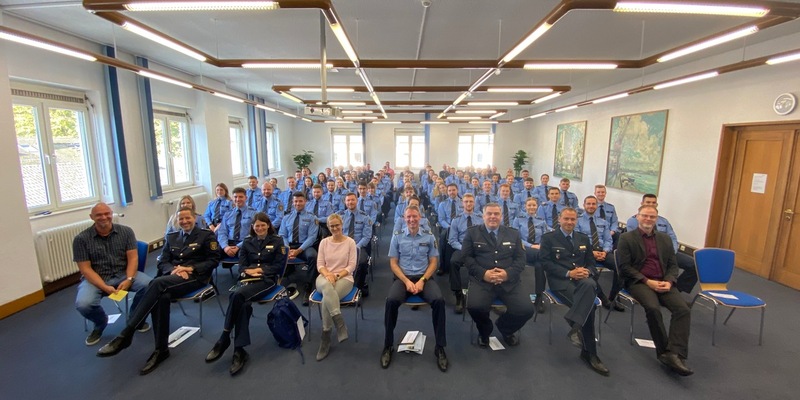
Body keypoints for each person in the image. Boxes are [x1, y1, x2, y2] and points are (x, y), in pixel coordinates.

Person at [97, 208, 221, 375]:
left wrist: (190, 268)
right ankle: (161, 350)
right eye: (181, 219)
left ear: (194, 218)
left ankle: (127, 334)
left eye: (187, 218)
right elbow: (162, 261)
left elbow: (214, 260)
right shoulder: (171, 237)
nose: (184, 221)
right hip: (174, 278)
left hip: (195, 277)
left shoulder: (206, 235)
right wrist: (174, 270)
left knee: (156, 284)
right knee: (161, 295)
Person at [205, 212, 286, 375]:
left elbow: (279, 266)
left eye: (263, 225)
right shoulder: (247, 242)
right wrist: (249, 272)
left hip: (266, 280)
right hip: (247, 280)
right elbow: (241, 266)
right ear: (252, 227)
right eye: (257, 226)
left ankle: (224, 337)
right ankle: (239, 350)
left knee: (236, 296)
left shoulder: (277, 241)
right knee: (242, 305)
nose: (260, 228)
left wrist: (260, 270)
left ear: (268, 226)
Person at [617, 205, 693, 376]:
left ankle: (675, 353)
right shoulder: (627, 238)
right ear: (637, 217)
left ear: (657, 219)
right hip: (639, 282)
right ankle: (663, 351)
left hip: (663, 281)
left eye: (652, 217)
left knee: (683, 310)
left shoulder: (665, 239)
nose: (648, 219)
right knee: (653, 308)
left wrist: (670, 280)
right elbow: (625, 267)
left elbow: (673, 265)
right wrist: (647, 281)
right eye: (645, 216)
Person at [540, 207, 609, 376]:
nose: (570, 222)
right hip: (561, 282)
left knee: (589, 283)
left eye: (573, 219)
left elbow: (592, 263)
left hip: (583, 281)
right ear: (559, 219)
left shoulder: (583, 238)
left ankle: (575, 327)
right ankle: (590, 353)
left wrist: (587, 271)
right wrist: (568, 273)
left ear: (577, 220)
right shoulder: (549, 238)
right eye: (566, 219)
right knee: (589, 307)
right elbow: (545, 263)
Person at [74, 203, 153, 346]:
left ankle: (136, 318)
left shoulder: (126, 232)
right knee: (83, 304)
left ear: (111, 214)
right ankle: (100, 323)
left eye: (107, 213)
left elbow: (133, 258)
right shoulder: (81, 239)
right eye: (99, 215)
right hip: (96, 279)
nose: (104, 217)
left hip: (123, 274)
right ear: (92, 217)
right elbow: (85, 269)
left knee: (150, 286)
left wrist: (129, 279)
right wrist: (104, 286)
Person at [382, 205, 448, 372]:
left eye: (414, 217)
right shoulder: (397, 237)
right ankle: (388, 345)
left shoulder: (429, 236)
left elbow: (434, 262)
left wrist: (422, 280)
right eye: (408, 217)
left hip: (424, 277)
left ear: (420, 218)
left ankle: (440, 347)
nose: (411, 220)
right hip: (403, 279)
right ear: (404, 219)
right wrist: (405, 281)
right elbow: (393, 263)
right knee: (391, 301)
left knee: (439, 301)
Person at [462, 203, 535, 347]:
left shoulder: (513, 233)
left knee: (526, 310)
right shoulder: (472, 233)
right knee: (475, 307)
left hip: (509, 281)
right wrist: (484, 274)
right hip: (482, 281)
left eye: (496, 214)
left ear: (501, 216)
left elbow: (521, 259)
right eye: (489, 213)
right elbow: (466, 258)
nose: (493, 217)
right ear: (483, 216)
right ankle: (485, 331)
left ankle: (505, 328)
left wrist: (507, 274)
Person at [625, 194, 697, 293]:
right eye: (648, 202)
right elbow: (633, 241)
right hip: (647, 254)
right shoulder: (633, 221)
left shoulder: (663, 221)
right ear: (642, 204)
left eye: (653, 203)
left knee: (694, 265)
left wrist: (671, 252)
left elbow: (672, 238)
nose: (651, 204)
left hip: (667, 253)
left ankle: (677, 290)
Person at [313, 213, 357, 361]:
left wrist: (337, 276)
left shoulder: (350, 242)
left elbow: (351, 266)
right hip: (324, 277)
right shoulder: (324, 242)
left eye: (337, 225)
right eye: (331, 226)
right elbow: (320, 264)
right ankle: (340, 323)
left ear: (341, 225)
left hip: (344, 278)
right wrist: (328, 275)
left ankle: (325, 336)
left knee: (327, 297)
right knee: (327, 288)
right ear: (328, 227)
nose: (334, 228)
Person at [576, 195, 624, 312]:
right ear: (584, 205)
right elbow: (577, 240)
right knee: (590, 272)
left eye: (593, 204)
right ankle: (603, 298)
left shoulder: (603, 222)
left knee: (621, 267)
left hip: (603, 252)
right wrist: (591, 252)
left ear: (597, 206)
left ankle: (613, 298)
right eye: (589, 204)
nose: (591, 206)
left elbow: (608, 240)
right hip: (586, 252)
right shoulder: (578, 221)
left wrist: (606, 251)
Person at [279, 191, 320, 305]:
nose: (298, 203)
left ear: (305, 202)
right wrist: (287, 248)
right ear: (292, 202)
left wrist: (298, 251)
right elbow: (282, 235)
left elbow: (312, 237)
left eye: (300, 201)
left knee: (313, 256)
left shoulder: (312, 218)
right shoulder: (286, 217)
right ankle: (278, 284)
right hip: (289, 245)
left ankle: (308, 286)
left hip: (304, 247)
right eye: (295, 201)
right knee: (274, 253)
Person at [447, 193, 483, 314]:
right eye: (466, 201)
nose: (468, 204)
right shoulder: (456, 220)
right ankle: (458, 295)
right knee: (453, 262)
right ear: (462, 204)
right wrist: (464, 249)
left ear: (474, 203)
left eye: (471, 201)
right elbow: (452, 240)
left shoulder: (481, 218)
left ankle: (484, 292)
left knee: (489, 261)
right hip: (461, 248)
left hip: (478, 248)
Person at [512, 197, 549, 314]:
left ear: (537, 206)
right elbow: (516, 238)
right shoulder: (518, 219)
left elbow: (546, 236)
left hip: (538, 251)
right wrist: (531, 246)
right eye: (529, 205)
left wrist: (541, 245)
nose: (532, 207)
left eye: (534, 205)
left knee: (540, 266)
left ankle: (539, 297)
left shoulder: (541, 220)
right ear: (525, 206)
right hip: (523, 250)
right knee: (543, 258)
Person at [339, 193, 373, 296]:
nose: (350, 202)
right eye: (348, 200)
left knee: (362, 262)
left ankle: (356, 289)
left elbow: (367, 237)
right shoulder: (340, 216)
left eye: (352, 200)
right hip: (342, 246)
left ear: (357, 201)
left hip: (359, 246)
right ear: (345, 202)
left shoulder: (365, 217)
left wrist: (355, 247)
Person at [217, 187, 257, 260]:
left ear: (246, 198)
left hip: (245, 243)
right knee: (212, 254)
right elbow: (222, 232)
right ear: (232, 198)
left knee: (243, 255)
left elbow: (253, 234)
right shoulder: (228, 214)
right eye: (235, 197)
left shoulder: (253, 214)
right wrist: (225, 247)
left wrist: (238, 246)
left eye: (241, 197)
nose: (238, 199)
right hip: (229, 243)